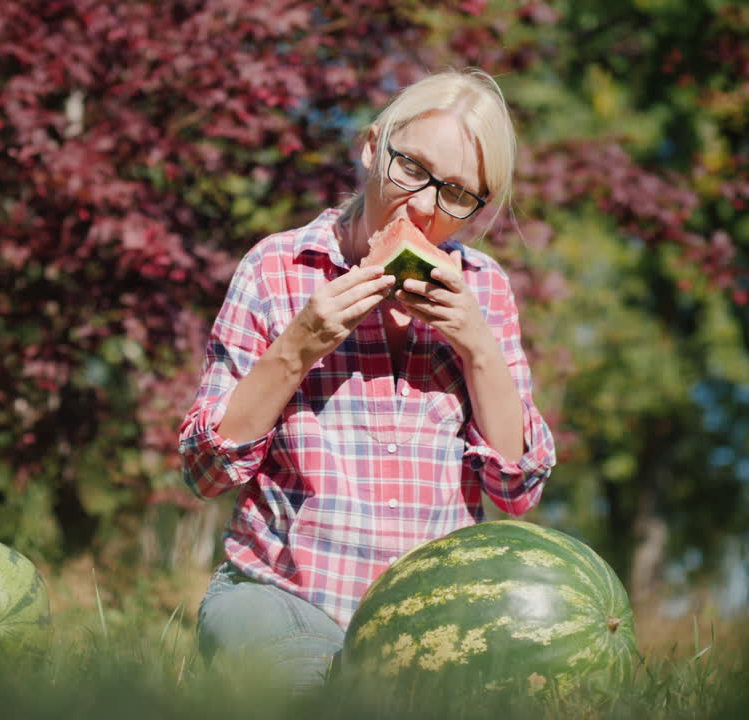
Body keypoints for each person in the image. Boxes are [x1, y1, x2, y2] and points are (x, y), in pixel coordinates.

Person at [177, 68, 556, 692]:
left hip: (430, 621)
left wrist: (477, 348)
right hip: (283, 597)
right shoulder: (279, 268)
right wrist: (298, 345)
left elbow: (517, 493)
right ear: (372, 145)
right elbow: (204, 472)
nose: (426, 207)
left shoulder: (483, 289)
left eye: (458, 193)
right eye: (412, 168)